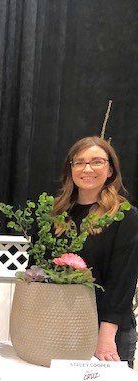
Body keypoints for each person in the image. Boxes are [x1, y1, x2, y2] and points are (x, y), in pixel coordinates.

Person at [53, 136, 138, 367]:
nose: (87, 168)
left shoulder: (125, 217)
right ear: (70, 170)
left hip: (108, 333)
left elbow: (123, 282)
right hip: (61, 325)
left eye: (96, 162)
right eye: (79, 162)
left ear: (110, 169)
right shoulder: (54, 214)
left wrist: (106, 336)